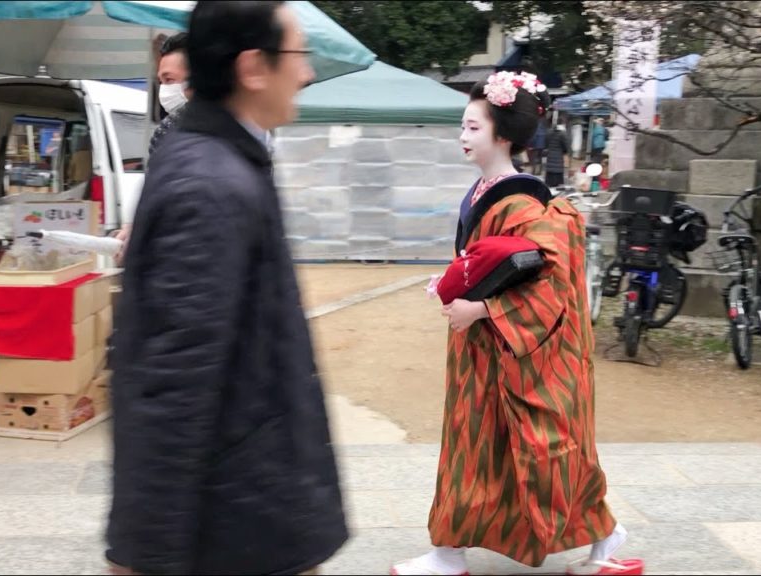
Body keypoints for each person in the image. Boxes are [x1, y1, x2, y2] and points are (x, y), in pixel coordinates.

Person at [105, 3, 346, 575]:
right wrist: (144, 550)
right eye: (297, 56)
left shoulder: (220, 155)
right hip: (235, 521)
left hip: (249, 502)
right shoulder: (209, 183)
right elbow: (172, 377)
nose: (307, 73)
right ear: (252, 68)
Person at [391, 71, 643, 576]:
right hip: (486, 350)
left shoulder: (525, 204)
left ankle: (604, 536)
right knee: (476, 446)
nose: (463, 137)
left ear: (502, 134)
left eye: (472, 128)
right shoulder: (491, 191)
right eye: (463, 127)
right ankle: (450, 549)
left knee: (538, 450)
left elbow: (548, 282)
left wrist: (480, 310)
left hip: (507, 348)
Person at [111, 32, 192, 265]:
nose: (164, 91)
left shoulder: (231, 133)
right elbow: (154, 184)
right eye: (161, 82)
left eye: (169, 80)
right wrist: (133, 225)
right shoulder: (168, 128)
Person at [545, 118, 570, 188]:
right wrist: (565, 151)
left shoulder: (549, 132)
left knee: (550, 168)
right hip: (558, 154)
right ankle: (557, 182)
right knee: (557, 168)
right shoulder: (562, 134)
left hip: (550, 153)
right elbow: (565, 145)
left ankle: (549, 183)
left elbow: (546, 142)